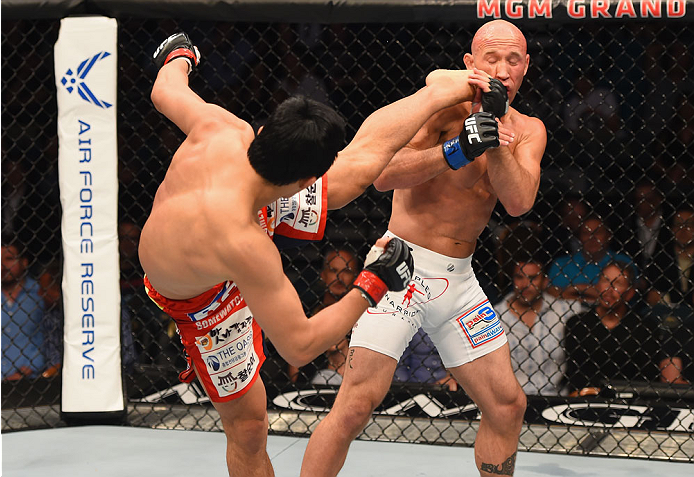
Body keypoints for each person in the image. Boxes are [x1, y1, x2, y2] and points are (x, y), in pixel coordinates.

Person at [140, 33, 489, 477]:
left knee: (347, 178)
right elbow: (300, 345)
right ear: (307, 178)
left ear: (265, 131)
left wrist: (179, 55)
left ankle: (434, 94)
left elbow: (164, 89)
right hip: (203, 299)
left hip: (239, 204)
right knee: (248, 428)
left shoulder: (226, 130)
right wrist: (373, 283)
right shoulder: (246, 247)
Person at [301, 20, 545, 477]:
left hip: (459, 281)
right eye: (491, 57)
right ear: (470, 64)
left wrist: (489, 137)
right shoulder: (439, 107)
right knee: (355, 406)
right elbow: (384, 173)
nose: (503, 67)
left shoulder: (529, 130)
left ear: (526, 67)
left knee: (508, 406)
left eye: (513, 59)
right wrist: (458, 146)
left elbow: (518, 202)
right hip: (400, 268)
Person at [564, 261, 660, 395]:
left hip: (633, 401)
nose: (609, 289)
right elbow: (576, 376)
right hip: (586, 400)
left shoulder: (645, 327)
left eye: (618, 283)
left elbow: (648, 377)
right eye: (605, 281)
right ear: (597, 286)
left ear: (630, 293)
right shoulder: (578, 324)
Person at [495, 255, 582, 396]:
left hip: (555, 398)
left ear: (545, 282)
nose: (525, 285)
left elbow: (598, 310)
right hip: (508, 398)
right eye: (519, 277)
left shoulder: (563, 310)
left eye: (532, 278)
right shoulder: (495, 316)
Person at [547, 214, 634, 303]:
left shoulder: (625, 262)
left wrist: (577, 288)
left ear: (609, 236)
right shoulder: (562, 264)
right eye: (586, 233)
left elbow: (629, 296)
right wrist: (596, 297)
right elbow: (552, 293)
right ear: (579, 237)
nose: (592, 238)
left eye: (597, 232)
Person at [1, 238, 45, 380]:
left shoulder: (40, 294)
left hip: (32, 380)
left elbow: (47, 337)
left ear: (24, 262)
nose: (2, 265)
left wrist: (23, 372)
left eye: (9, 259)